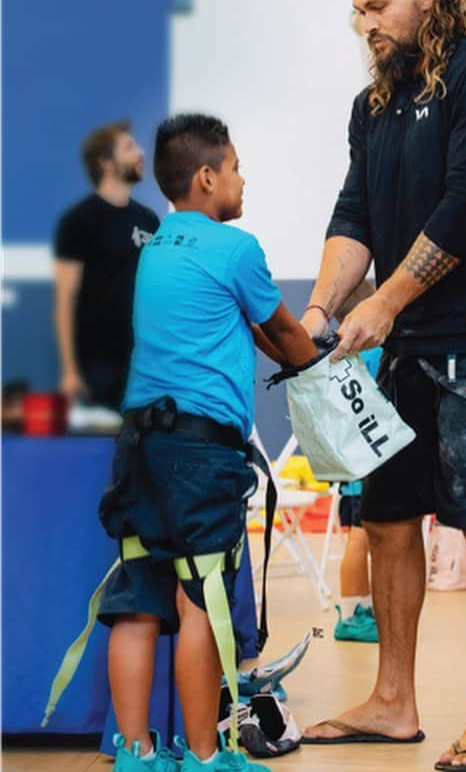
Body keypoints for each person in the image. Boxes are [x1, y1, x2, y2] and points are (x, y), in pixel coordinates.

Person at [300, 0, 466, 770]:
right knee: (391, 518)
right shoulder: (374, 108)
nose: (363, 23)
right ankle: (393, 700)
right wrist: (323, 307)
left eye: (378, 6)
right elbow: (354, 214)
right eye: (357, 10)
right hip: (403, 350)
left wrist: (386, 301)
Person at [97, 114, 317, 772]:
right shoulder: (235, 247)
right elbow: (286, 332)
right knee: (202, 599)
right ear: (207, 176)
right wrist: (323, 359)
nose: (243, 180)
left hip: (138, 445)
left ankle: (135, 754)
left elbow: (230, 323)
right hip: (200, 452)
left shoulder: (155, 246)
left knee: (137, 597)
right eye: (238, 167)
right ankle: (203, 756)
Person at [53, 121, 160, 410]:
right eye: (129, 147)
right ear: (105, 162)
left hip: (143, 365)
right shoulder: (78, 221)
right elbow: (65, 299)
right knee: (101, 451)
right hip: (97, 368)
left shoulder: (150, 221)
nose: (140, 153)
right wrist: (71, 371)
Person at [332, 280, 381, 644]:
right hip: (367, 465)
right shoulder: (375, 353)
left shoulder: (339, 354)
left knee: (360, 536)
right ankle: (350, 615)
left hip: (351, 463)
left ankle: (360, 607)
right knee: (361, 539)